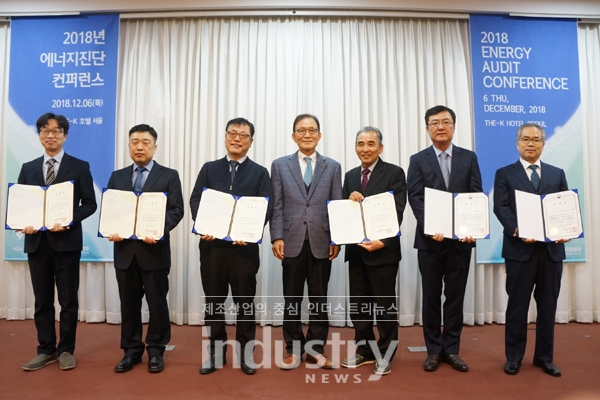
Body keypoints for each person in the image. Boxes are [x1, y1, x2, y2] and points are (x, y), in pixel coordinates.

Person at [190, 117, 273, 375]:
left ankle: (246, 355)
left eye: (243, 135)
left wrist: (249, 232)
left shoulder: (260, 172)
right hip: (212, 249)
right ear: (225, 137)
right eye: (232, 133)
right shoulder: (209, 168)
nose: (237, 138)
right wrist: (204, 225)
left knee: (245, 303)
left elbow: (267, 206)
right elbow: (195, 200)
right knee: (214, 303)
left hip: (244, 250)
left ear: (251, 141)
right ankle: (215, 355)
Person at [19, 112, 97, 372]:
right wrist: (24, 224)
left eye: (56, 131)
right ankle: (45, 349)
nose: (50, 135)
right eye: (45, 130)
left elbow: (90, 203)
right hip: (37, 243)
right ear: (39, 134)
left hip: (66, 244)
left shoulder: (79, 166)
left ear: (64, 135)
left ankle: (65, 349)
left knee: (68, 301)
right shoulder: (28, 168)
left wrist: (68, 219)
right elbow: (22, 204)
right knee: (42, 301)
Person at [407, 105, 482, 372]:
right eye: (435, 122)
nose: (441, 126)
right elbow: (414, 197)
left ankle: (451, 349)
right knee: (430, 296)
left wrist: (472, 226)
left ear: (453, 126)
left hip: (461, 243)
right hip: (430, 241)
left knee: (455, 297)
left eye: (446, 122)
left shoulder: (469, 157)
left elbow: (475, 194)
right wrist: (431, 225)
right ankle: (433, 351)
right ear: (427, 128)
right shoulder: (418, 159)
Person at [107, 124, 184, 373]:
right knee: (128, 305)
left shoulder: (169, 175)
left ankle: (156, 351)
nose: (139, 146)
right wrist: (112, 228)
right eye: (134, 142)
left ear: (155, 146)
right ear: (129, 145)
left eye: (145, 142)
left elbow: (177, 210)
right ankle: (131, 352)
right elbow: (111, 210)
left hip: (154, 252)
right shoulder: (117, 176)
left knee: (157, 304)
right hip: (125, 252)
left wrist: (158, 229)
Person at [493, 123, 568, 377]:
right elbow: (501, 208)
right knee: (517, 307)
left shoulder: (557, 174)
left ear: (543, 144)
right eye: (525, 139)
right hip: (519, 251)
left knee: (548, 307)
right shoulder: (504, 173)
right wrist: (517, 230)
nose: (531, 144)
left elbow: (564, 207)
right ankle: (514, 357)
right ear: (517, 143)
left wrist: (565, 229)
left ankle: (544, 358)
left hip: (550, 253)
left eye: (536, 140)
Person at [270, 114, 342, 370]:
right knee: (291, 298)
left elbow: (335, 205)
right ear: (293, 136)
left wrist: (336, 238)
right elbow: (277, 205)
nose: (307, 134)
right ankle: (293, 348)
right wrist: (277, 236)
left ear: (319, 135)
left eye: (312, 130)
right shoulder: (279, 165)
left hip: (322, 240)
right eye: (301, 130)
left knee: (319, 298)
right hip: (290, 240)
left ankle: (315, 349)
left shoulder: (332, 166)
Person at [340, 126, 406, 376]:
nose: (365, 148)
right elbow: (344, 214)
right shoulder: (349, 176)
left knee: (384, 305)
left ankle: (386, 353)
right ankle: (364, 351)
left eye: (370, 143)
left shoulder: (394, 173)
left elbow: (398, 210)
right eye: (360, 144)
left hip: (383, 252)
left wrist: (384, 240)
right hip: (357, 251)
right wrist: (350, 200)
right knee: (359, 306)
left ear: (381, 147)